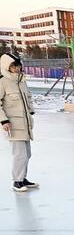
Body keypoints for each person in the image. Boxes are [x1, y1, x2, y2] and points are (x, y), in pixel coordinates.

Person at [0, 53, 38, 192]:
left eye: (18, 65)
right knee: (20, 154)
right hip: (12, 124)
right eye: (13, 66)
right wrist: (3, 120)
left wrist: (31, 110)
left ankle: (23, 178)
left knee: (27, 153)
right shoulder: (3, 81)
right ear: (7, 67)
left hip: (25, 123)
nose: (17, 68)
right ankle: (17, 181)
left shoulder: (21, 81)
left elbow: (28, 97)